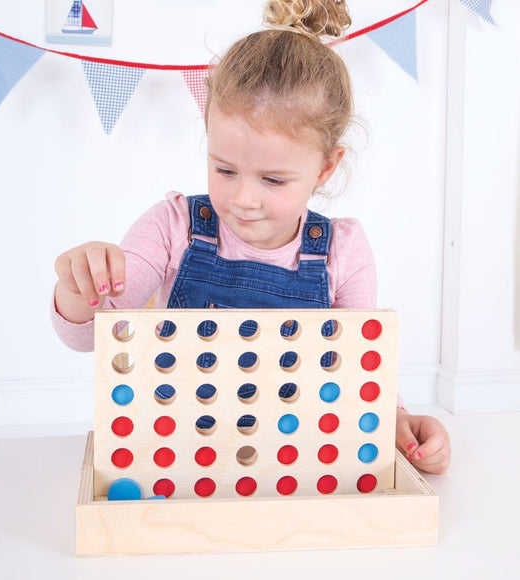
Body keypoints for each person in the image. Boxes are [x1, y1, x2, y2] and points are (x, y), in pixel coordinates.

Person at [51, 0, 450, 475]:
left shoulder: (343, 252)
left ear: (326, 167)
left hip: (292, 469)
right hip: (174, 460)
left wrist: (396, 420)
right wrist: (80, 291)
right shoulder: (172, 226)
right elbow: (96, 335)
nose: (243, 198)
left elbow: (360, 371)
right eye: (224, 169)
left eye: (273, 180)